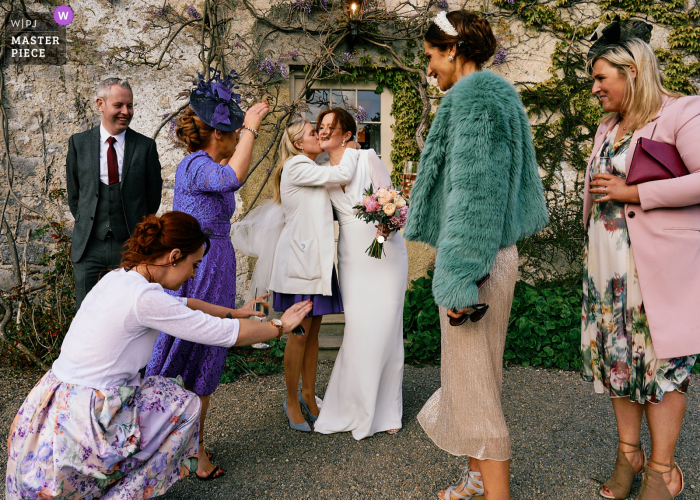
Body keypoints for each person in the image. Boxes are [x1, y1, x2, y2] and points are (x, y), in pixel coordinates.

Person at [5, 211, 312, 500]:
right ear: (174, 256)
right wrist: (280, 326)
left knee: (162, 389)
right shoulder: (145, 299)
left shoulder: (121, 277)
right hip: (87, 415)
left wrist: (236, 311)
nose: (193, 274)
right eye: (193, 265)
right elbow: (222, 334)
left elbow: (186, 304)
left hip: (52, 399)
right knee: (185, 404)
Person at [403, 11, 549, 500]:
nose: (428, 69)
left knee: (479, 390)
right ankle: (474, 479)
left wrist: (459, 280)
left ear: (453, 49)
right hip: (483, 253)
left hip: (476, 260)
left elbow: (476, 196)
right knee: (474, 379)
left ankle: (495, 494)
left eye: (430, 57)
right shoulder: (490, 94)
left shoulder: (474, 100)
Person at [582, 21, 700, 500]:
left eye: (601, 78)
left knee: (661, 366)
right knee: (619, 363)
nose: (594, 90)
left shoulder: (681, 112)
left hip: (657, 269)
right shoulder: (608, 126)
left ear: (632, 71)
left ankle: (663, 471)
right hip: (607, 269)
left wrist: (633, 191)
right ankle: (628, 454)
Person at [145, 71, 269, 479]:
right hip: (199, 274)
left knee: (202, 363)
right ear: (219, 134)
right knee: (180, 355)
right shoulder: (195, 165)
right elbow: (233, 177)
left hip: (213, 269)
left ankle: (192, 451)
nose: (237, 139)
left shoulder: (201, 164)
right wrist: (251, 125)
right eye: (233, 132)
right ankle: (160, 449)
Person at [312, 108, 409, 440]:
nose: (323, 132)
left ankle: (387, 410)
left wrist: (381, 239)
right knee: (359, 330)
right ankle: (352, 405)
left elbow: (395, 205)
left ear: (347, 134)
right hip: (353, 259)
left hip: (386, 256)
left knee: (386, 331)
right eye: (320, 127)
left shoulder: (368, 157)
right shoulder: (322, 172)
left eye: (330, 127)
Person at [267, 119, 361, 431]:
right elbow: (343, 173)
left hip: (316, 263)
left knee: (314, 333)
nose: (318, 134)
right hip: (301, 264)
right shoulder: (296, 166)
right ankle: (291, 400)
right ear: (297, 144)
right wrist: (350, 146)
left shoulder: (309, 166)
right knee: (300, 333)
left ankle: (309, 394)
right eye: (312, 132)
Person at [66, 77, 163, 310]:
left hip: (130, 247)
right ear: (100, 104)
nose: (125, 112)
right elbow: (75, 196)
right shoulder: (78, 144)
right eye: (118, 105)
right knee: (86, 314)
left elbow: (153, 198)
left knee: (127, 313)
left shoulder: (145, 147)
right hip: (88, 248)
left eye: (129, 106)